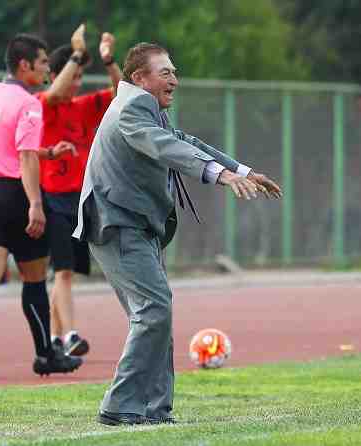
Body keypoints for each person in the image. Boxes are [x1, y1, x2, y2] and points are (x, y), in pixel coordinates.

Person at [73, 42, 282, 425]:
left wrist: (243, 170)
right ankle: (120, 406)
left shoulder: (145, 107)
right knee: (154, 311)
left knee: (156, 314)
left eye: (174, 71)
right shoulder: (133, 109)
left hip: (135, 226)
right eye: (165, 72)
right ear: (139, 78)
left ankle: (155, 410)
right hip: (117, 224)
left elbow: (186, 142)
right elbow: (168, 147)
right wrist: (221, 175)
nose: (174, 78)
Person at [0, 32, 82, 379]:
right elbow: (25, 157)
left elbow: (3, 150)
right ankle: (46, 355)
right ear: (24, 65)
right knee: (34, 279)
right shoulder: (29, 103)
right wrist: (35, 204)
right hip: (18, 194)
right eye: (44, 62)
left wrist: (49, 151)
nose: (48, 69)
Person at [37, 25, 122, 357]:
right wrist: (74, 54)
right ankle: (70, 335)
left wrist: (108, 59)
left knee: (65, 272)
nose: (77, 83)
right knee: (64, 271)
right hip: (53, 197)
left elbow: (121, 90)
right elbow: (55, 93)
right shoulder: (43, 104)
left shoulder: (85, 105)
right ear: (57, 74)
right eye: (72, 76)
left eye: (79, 77)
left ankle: (56, 337)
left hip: (81, 198)